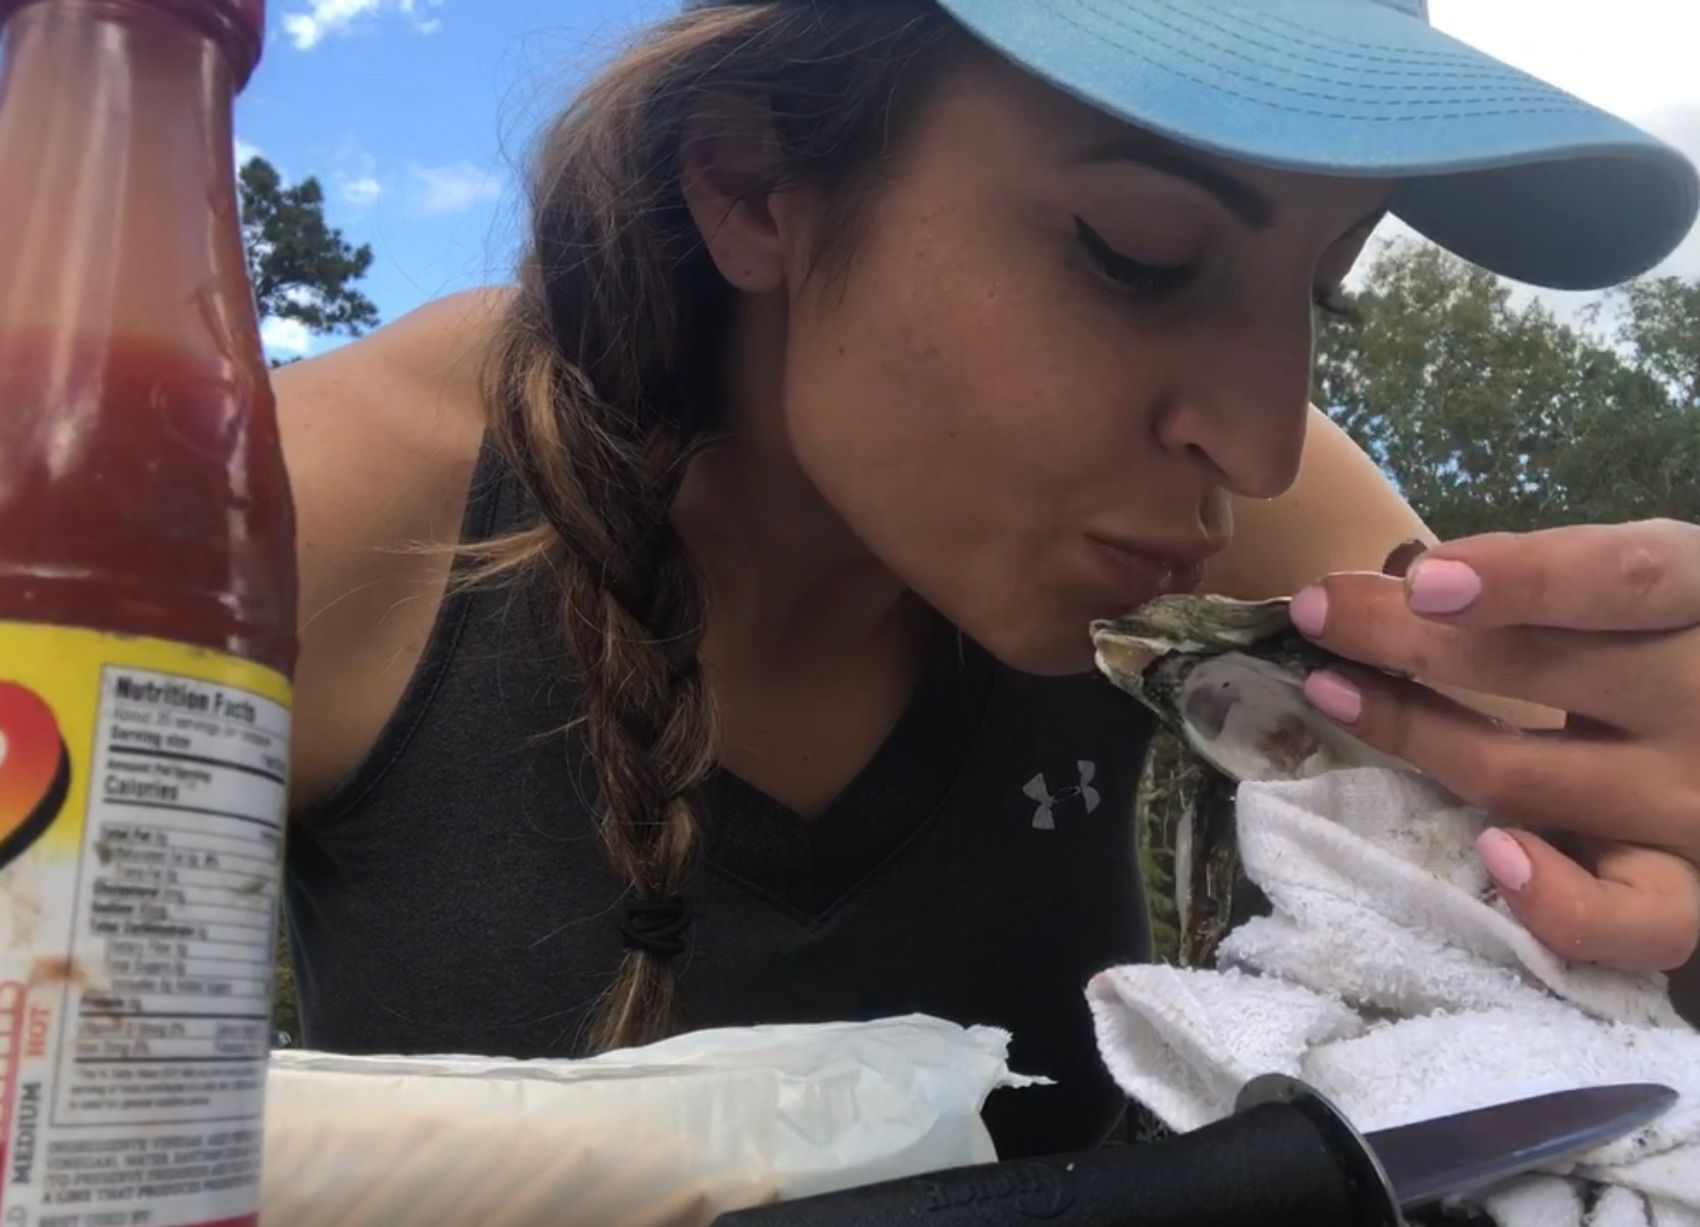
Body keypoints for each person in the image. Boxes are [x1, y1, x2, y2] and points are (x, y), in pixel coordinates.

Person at [274, 0, 1700, 1159]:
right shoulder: (315, 514)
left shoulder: (1218, 513)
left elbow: (1572, 911)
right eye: (1136, 255)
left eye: (1319, 289)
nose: (1261, 448)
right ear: (753, 182)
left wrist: (1646, 792)